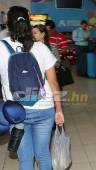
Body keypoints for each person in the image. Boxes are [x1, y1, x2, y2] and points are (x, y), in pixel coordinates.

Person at [0, 6, 64, 170]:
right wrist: (59, 109)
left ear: (7, 23)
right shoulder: (41, 47)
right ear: (28, 23)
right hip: (44, 108)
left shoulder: (0, 48)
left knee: (25, 159)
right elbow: (54, 83)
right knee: (43, 154)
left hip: (16, 112)